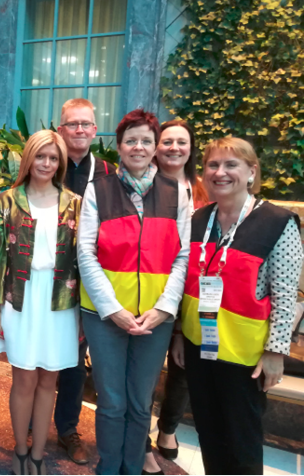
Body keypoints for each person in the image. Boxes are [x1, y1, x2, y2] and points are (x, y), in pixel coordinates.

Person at [176, 137, 303, 475]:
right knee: (208, 431)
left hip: (246, 355)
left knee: (242, 440)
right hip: (198, 344)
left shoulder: (278, 222)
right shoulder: (198, 220)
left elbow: (287, 293)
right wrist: (178, 335)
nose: (220, 172)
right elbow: (186, 283)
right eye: (213, 165)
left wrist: (276, 351)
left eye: (231, 165)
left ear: (251, 171)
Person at [77, 109, 191, 475]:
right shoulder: (99, 190)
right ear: (119, 146)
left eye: (146, 140)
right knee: (111, 402)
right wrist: (113, 309)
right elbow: (86, 253)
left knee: (141, 404)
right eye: (131, 140)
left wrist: (164, 308)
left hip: (155, 319)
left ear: (155, 147)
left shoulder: (177, 193)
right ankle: (108, 468)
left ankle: (132, 468)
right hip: (104, 317)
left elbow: (183, 255)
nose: (138, 147)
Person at [0, 130, 82, 476]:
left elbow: (81, 259)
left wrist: (83, 312)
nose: (46, 163)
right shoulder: (8, 200)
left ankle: (39, 455)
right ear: (28, 159)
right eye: (40, 156)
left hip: (60, 300)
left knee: (49, 380)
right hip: (21, 298)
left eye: (53, 158)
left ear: (60, 163)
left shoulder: (74, 202)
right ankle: (20, 450)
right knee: (24, 379)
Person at [142, 120, 208, 475]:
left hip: (196, 290)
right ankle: (142, 442)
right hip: (153, 289)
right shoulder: (142, 186)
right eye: (166, 141)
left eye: (181, 142)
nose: (173, 148)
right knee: (147, 373)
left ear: (190, 147)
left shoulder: (203, 190)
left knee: (182, 366)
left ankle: (167, 428)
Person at [54, 98, 116, 466]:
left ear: (95, 130)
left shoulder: (108, 172)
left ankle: (67, 429)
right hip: (51, 275)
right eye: (71, 124)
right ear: (60, 129)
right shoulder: (46, 164)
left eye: (85, 124)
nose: (78, 130)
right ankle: (32, 416)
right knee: (43, 355)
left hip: (94, 278)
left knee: (77, 361)